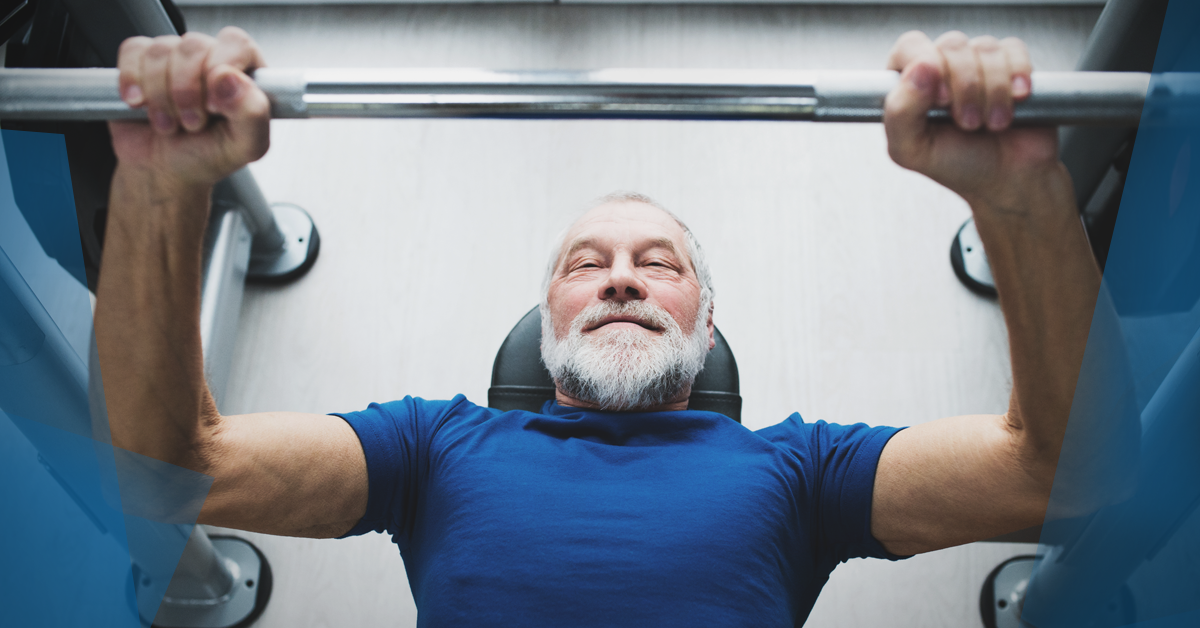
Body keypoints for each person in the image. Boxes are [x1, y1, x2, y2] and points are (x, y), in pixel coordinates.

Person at [96, 26, 1101, 627]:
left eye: (659, 265)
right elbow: (164, 468)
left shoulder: (805, 471)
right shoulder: (429, 447)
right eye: (589, 264)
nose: (623, 279)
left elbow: (1068, 478)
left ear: (709, 333)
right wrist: (158, 184)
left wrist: (1020, 200)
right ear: (545, 324)